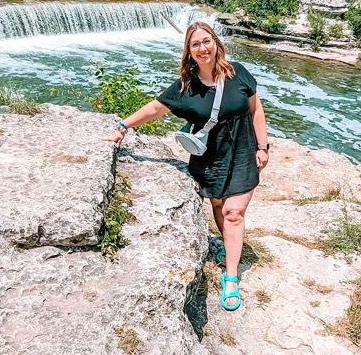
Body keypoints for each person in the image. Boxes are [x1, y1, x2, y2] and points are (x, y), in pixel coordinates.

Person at [103, 21, 269, 311]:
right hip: (210, 158)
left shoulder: (238, 72)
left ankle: (231, 276)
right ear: (189, 52)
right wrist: (122, 125)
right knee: (218, 205)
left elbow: (256, 110)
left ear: (216, 43)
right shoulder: (186, 87)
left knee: (233, 212)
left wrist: (263, 146)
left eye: (207, 41)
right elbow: (156, 107)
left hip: (243, 151)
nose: (203, 48)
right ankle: (227, 247)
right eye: (196, 44)